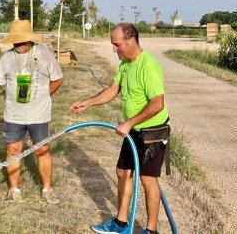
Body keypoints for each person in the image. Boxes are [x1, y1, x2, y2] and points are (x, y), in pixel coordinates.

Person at [70, 23, 169, 234]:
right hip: (134, 130)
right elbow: (113, 89)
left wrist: (129, 122)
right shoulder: (125, 65)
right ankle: (121, 223)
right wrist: (88, 102)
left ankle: (151, 230)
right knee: (123, 171)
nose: (114, 49)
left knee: (148, 179)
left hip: (152, 132)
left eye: (117, 45)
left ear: (131, 40)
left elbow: (157, 103)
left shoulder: (148, 65)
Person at [0, 19, 64, 204]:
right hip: (13, 115)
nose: (18, 44)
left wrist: (44, 94)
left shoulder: (44, 54)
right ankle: (14, 190)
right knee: (13, 150)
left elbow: (58, 78)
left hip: (38, 115)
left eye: (21, 40)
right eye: (15, 40)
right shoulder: (7, 58)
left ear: (30, 39)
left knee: (42, 150)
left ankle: (47, 189)